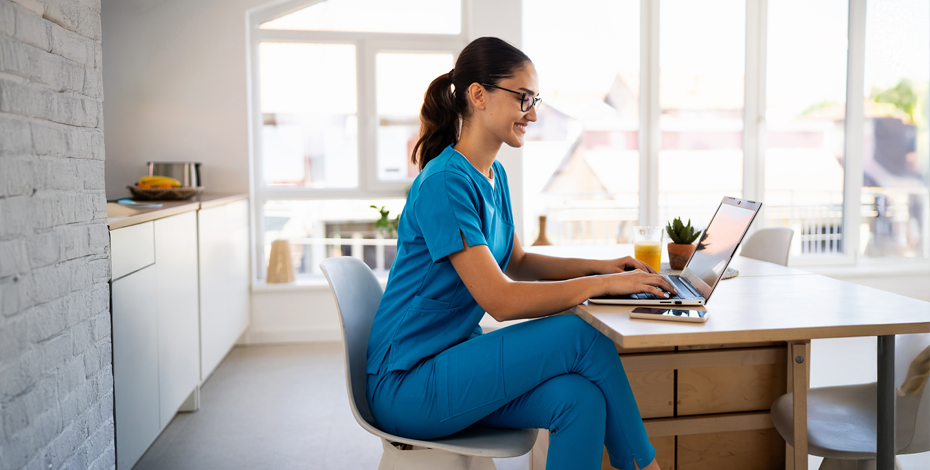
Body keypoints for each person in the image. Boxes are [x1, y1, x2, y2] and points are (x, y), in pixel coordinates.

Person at [365, 37, 676, 470]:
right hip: (408, 383)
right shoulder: (444, 183)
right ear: (479, 95)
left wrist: (602, 266)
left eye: (535, 99)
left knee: (580, 399)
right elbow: (502, 300)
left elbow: (519, 261)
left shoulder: (493, 175)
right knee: (582, 335)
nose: (532, 112)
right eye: (523, 98)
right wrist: (606, 285)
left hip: (450, 360)